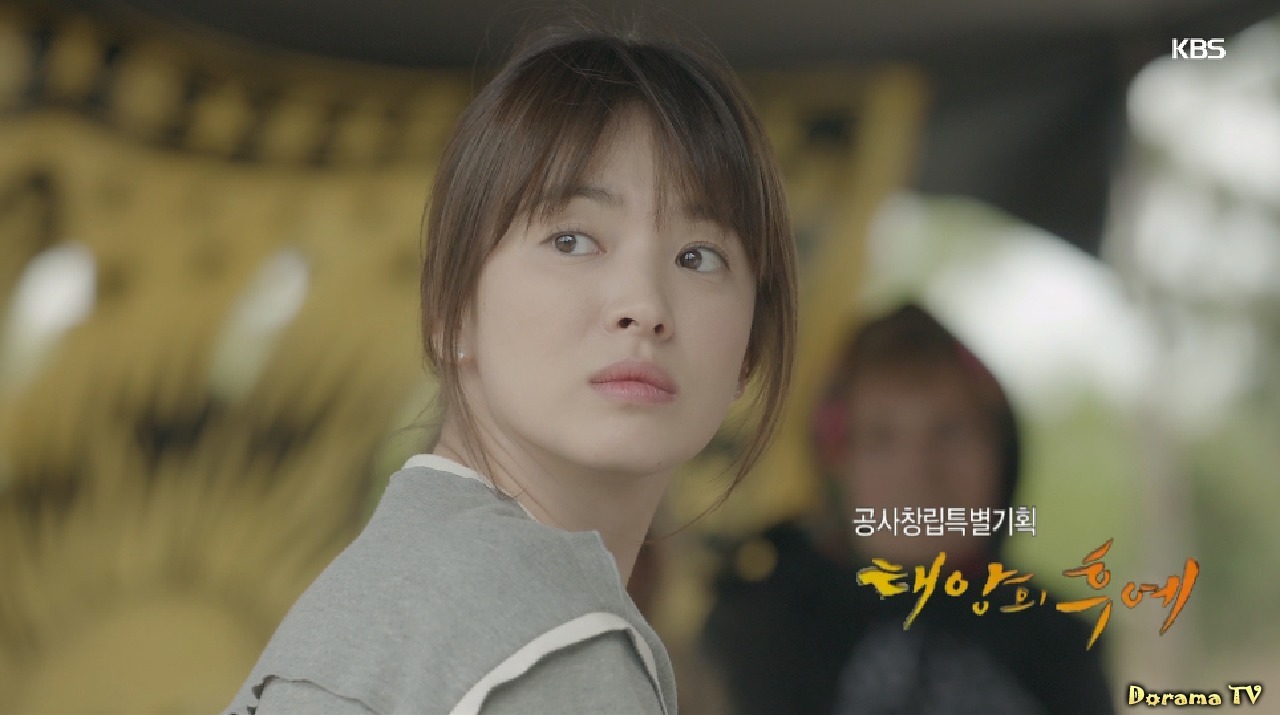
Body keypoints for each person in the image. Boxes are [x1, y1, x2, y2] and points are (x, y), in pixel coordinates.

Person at [220, 18, 796, 715]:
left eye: (698, 256)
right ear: (451, 308)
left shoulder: (360, 607)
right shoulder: (554, 653)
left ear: (750, 347)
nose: (645, 306)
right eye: (573, 240)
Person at [702, 303, 1114, 715]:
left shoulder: (1058, 644)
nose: (918, 469)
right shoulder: (755, 630)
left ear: (1002, 456)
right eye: (881, 438)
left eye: (950, 432)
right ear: (836, 465)